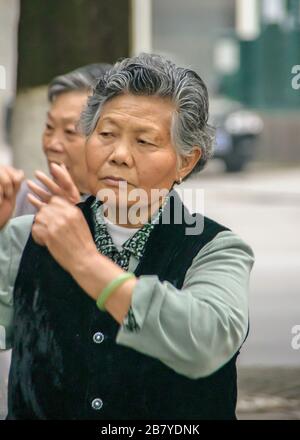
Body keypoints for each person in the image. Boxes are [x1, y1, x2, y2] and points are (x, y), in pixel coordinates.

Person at [0, 53, 255, 420]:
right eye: (106, 134)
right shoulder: (27, 236)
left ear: (185, 161)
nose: (118, 155)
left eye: (144, 142)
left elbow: (206, 343)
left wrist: (86, 262)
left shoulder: (216, 249)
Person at [14, 63, 111, 216]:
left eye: (70, 131)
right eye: (49, 126)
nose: (52, 144)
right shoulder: (27, 196)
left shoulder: (133, 210)